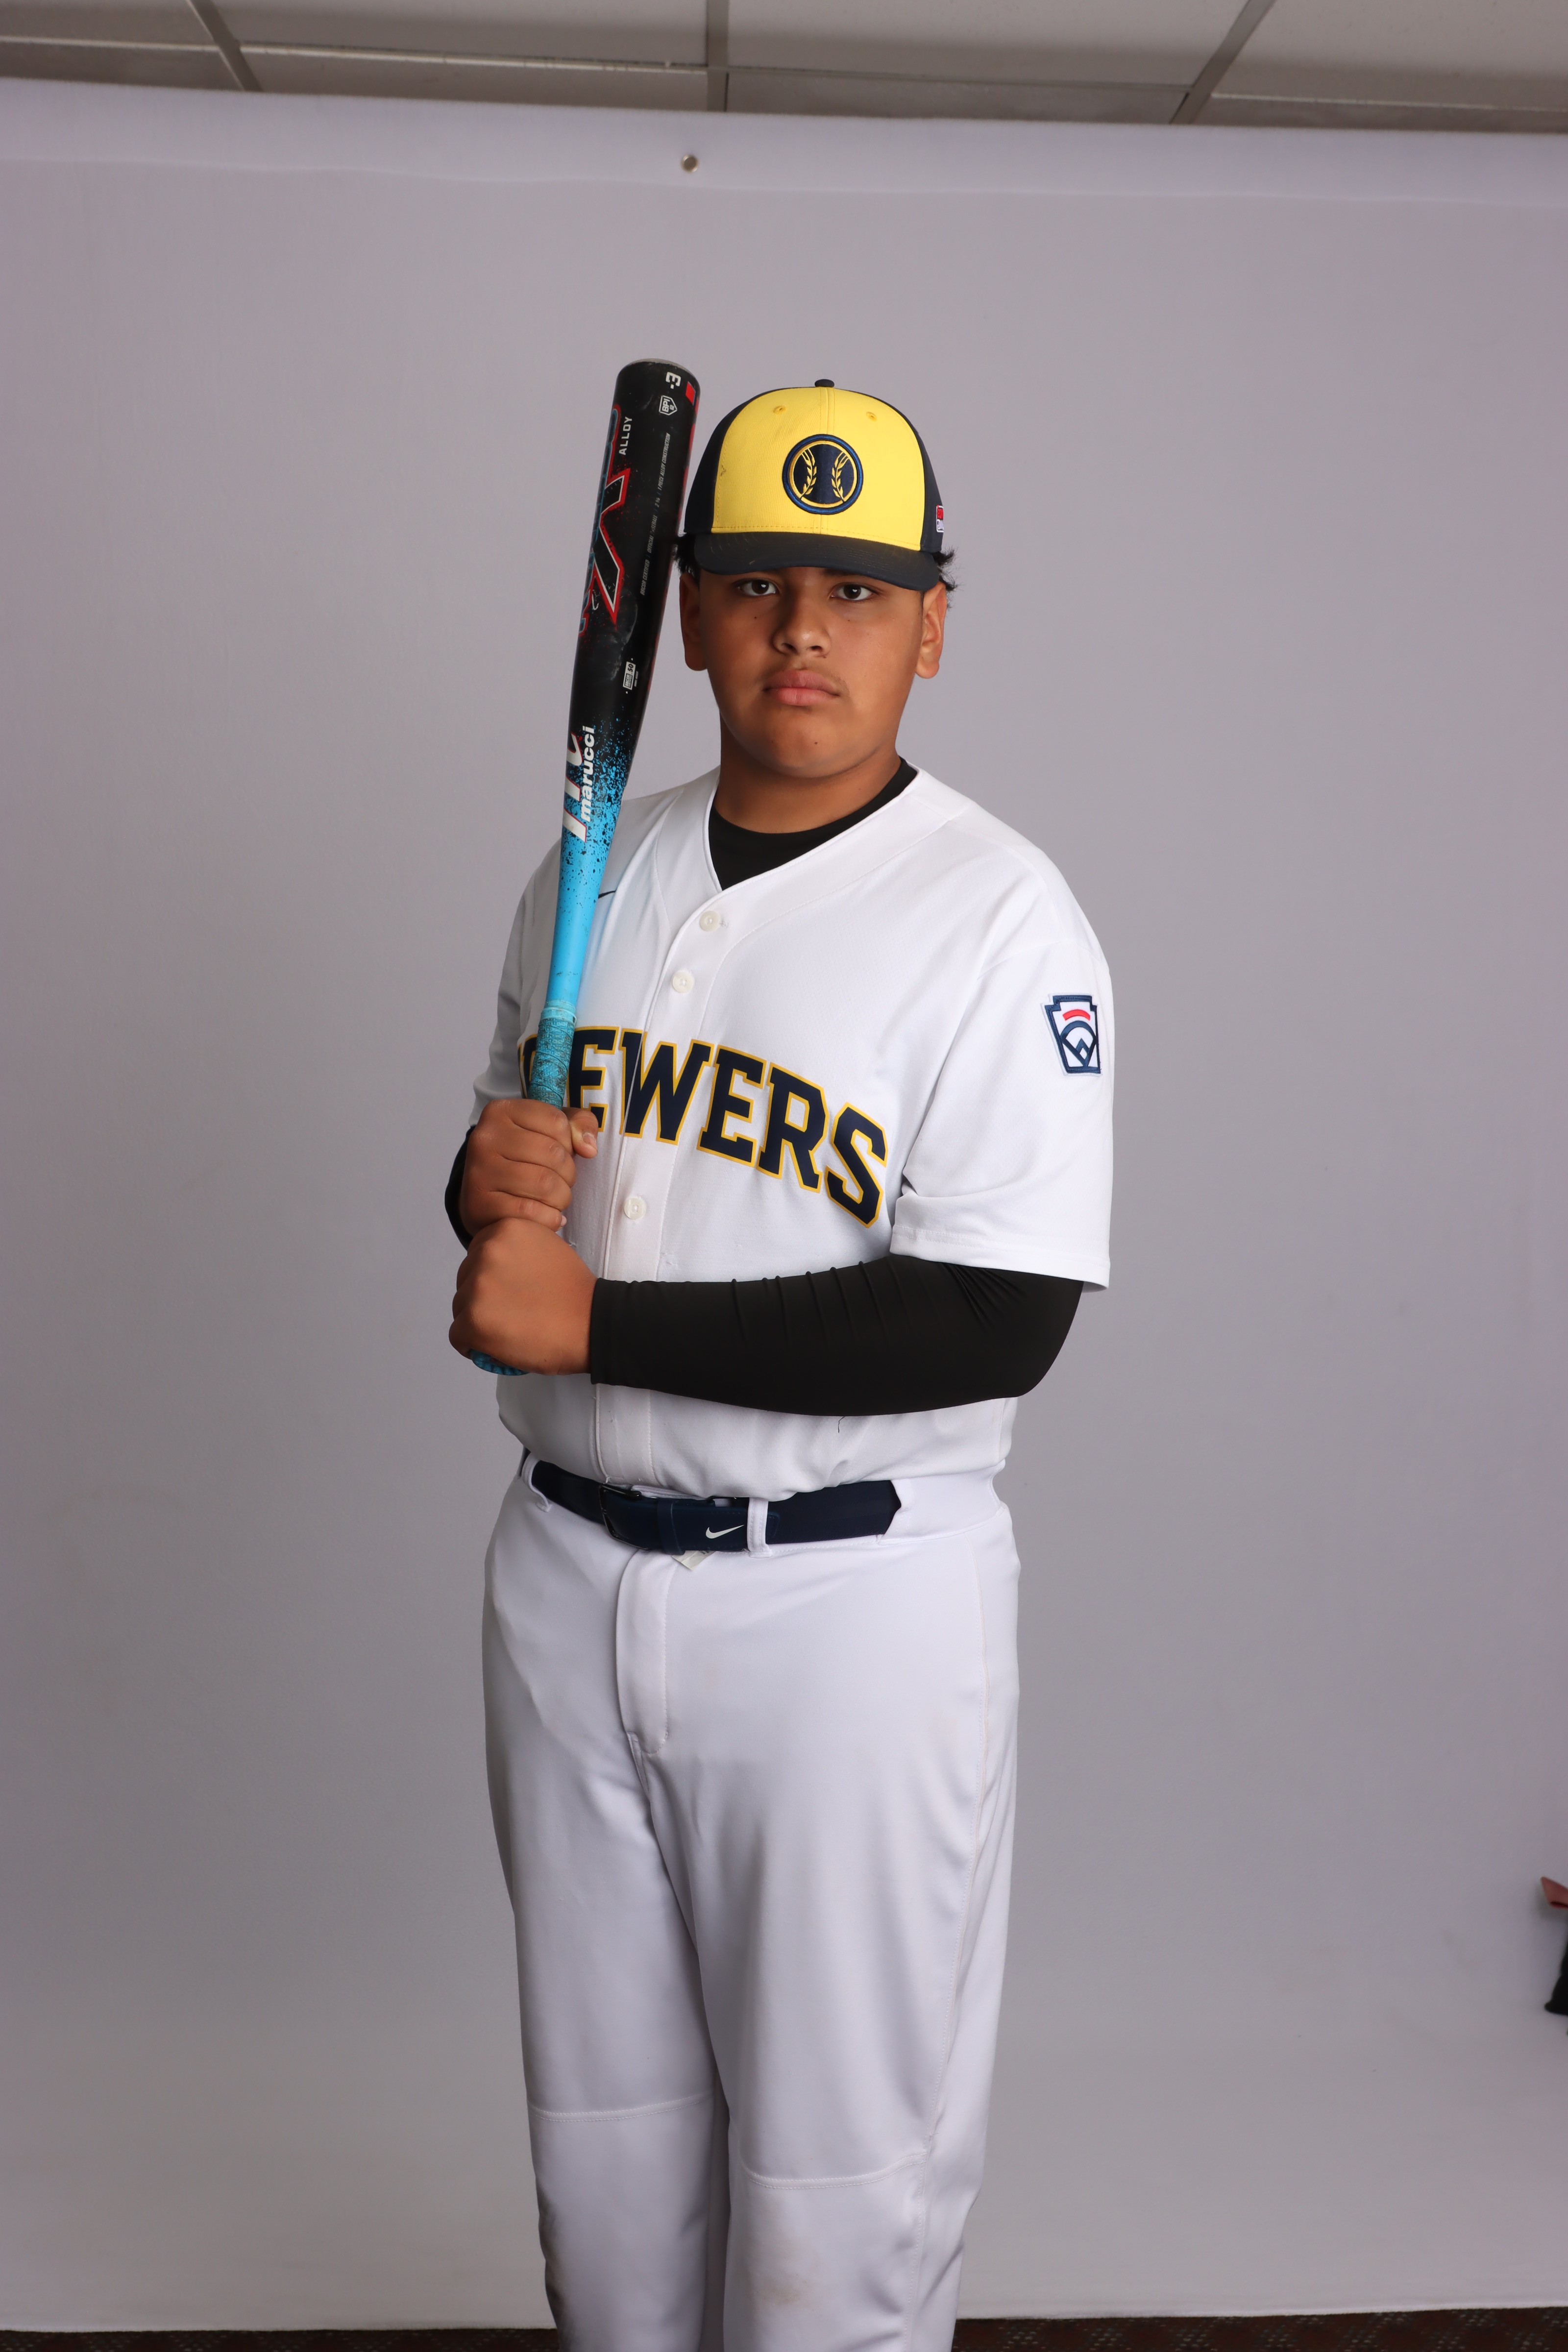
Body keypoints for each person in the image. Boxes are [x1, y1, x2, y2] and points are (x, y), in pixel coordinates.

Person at [446, 381, 1113, 2352]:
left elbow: (996, 1316)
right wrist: (478, 1182)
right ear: (687, 616)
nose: (803, 631)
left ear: (931, 624)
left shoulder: (1001, 917)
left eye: (859, 590)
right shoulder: (592, 871)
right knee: (604, 2178)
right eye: (753, 584)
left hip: (845, 1602)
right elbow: (520, 1193)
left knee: (841, 2201)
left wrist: (594, 1324)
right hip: (563, 1572)